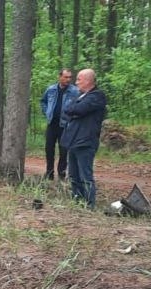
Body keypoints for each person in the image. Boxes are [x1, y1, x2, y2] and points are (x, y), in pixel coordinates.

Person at [60, 69, 107, 209]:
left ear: (87, 80)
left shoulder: (97, 96)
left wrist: (75, 110)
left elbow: (79, 110)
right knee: (73, 175)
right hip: (73, 141)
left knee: (85, 175)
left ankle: (89, 204)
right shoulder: (80, 96)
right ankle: (77, 201)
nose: (76, 82)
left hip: (86, 142)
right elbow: (67, 110)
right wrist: (75, 110)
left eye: (79, 79)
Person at [40, 69, 79, 180]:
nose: (68, 80)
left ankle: (61, 174)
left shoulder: (75, 91)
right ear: (60, 77)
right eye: (66, 77)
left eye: (70, 77)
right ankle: (49, 173)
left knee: (63, 151)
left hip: (66, 126)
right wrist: (47, 112)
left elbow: (79, 105)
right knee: (49, 149)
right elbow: (43, 101)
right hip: (52, 124)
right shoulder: (51, 89)